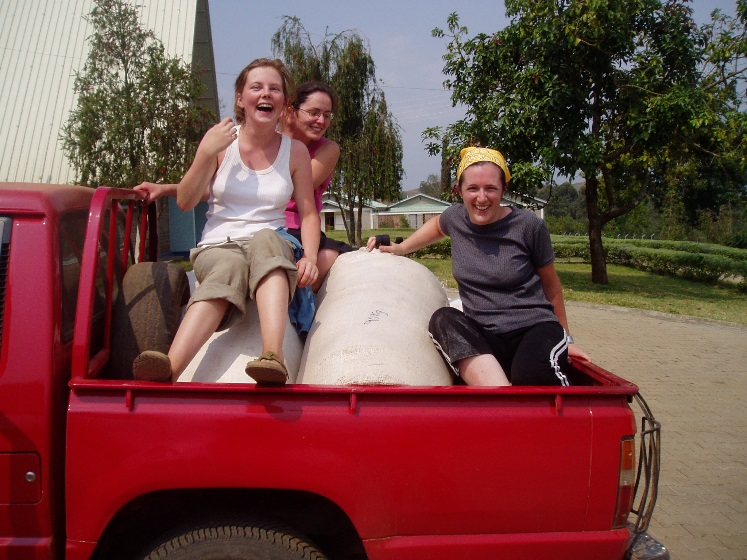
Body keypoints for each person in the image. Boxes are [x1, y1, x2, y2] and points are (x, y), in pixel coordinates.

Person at [132, 58, 320, 385]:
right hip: (220, 245)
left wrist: (312, 258)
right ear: (240, 98)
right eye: (257, 87)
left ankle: (272, 356)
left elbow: (308, 212)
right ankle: (170, 368)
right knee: (228, 266)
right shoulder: (220, 142)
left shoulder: (296, 152)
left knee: (267, 240)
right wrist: (205, 153)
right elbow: (188, 199)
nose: (266, 94)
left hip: (270, 241)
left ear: (283, 102)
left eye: (275, 88)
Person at [367, 147, 590, 387]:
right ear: (460, 191)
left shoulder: (528, 226)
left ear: (504, 189)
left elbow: (551, 284)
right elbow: (437, 225)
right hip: (485, 334)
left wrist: (566, 339)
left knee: (529, 376)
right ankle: (501, 398)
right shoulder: (456, 218)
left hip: (534, 328)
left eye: (491, 188)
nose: (481, 198)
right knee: (444, 318)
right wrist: (402, 248)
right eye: (472, 188)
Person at [281, 81, 354, 292]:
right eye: (313, 112)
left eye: (327, 115)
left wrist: (286, 136)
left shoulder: (328, 149)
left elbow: (297, 186)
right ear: (291, 111)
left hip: (300, 228)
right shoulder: (269, 142)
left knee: (330, 255)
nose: (320, 120)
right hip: (267, 222)